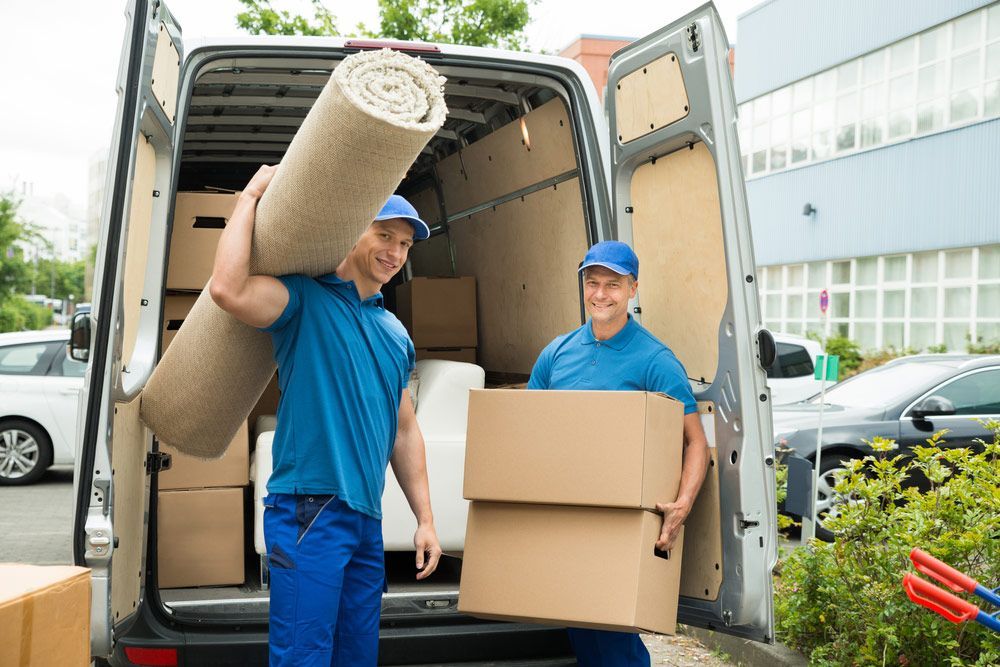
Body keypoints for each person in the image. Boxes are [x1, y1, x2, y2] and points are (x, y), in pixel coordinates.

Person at [210, 165, 442, 667]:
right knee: (303, 657)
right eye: (384, 235)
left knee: (356, 657)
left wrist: (425, 519)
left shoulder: (394, 333)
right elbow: (227, 290)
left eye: (405, 245)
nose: (395, 252)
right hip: (309, 509)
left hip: (365, 519)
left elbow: (404, 429)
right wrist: (249, 195)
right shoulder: (304, 299)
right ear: (353, 229)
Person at [527, 240, 710, 667]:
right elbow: (529, 429)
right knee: (582, 633)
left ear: (633, 289)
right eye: (593, 283)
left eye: (613, 284)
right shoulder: (556, 353)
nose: (601, 294)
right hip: (568, 514)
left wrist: (682, 505)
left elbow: (695, 441)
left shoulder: (655, 360)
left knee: (613, 640)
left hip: (621, 520)